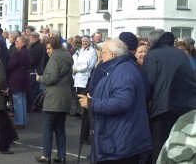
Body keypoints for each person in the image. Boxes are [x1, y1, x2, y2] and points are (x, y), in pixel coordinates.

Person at [78, 38, 151, 163]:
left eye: (103, 51)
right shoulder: (120, 69)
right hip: (119, 138)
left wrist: (92, 103)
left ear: (112, 54)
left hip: (121, 141)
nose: (100, 54)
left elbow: (122, 101)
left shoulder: (124, 72)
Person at [143, 29, 196, 162]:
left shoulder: (153, 55)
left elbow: (149, 82)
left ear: (151, 41)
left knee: (160, 149)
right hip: (186, 108)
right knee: (178, 146)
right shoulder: (180, 53)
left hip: (162, 109)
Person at [35, 37, 73, 164]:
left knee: (48, 128)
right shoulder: (67, 58)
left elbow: (51, 78)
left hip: (53, 98)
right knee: (60, 128)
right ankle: (61, 156)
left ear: (54, 48)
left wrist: (41, 78)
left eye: (49, 48)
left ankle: (46, 156)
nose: (47, 51)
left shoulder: (54, 59)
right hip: (65, 96)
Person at [6, 35, 31, 128]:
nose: (15, 43)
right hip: (24, 79)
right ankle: (23, 120)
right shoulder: (26, 52)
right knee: (22, 100)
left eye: (17, 41)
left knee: (18, 101)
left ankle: (19, 122)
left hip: (17, 79)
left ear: (22, 43)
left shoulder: (18, 53)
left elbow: (10, 66)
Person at [70, 35, 97, 117]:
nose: (84, 43)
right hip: (77, 76)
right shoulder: (79, 50)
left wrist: (77, 69)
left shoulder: (92, 52)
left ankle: (83, 113)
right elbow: (74, 59)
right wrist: (73, 68)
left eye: (86, 41)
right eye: (83, 41)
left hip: (85, 75)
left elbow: (88, 65)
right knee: (76, 94)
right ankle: (76, 111)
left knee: (83, 94)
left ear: (89, 42)